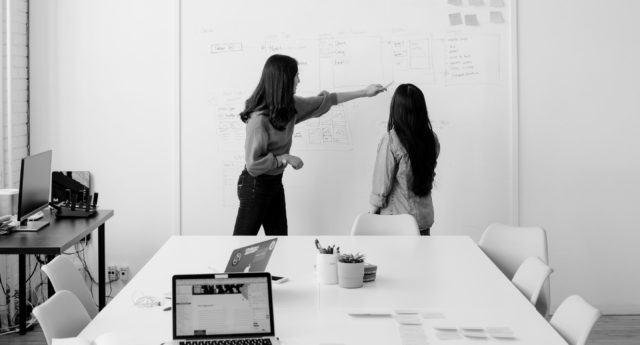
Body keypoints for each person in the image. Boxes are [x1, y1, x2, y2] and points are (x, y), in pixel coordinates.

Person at [234, 54, 386, 236]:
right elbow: (253, 165)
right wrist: (284, 158)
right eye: (296, 76)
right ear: (283, 80)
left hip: (274, 183)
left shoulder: (289, 107)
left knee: (280, 242)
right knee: (242, 245)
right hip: (254, 185)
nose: (299, 80)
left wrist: (365, 92)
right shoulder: (258, 119)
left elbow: (328, 100)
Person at [369, 84, 440, 236]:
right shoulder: (431, 139)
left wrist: (370, 215)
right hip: (423, 221)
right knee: (421, 260)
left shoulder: (391, 140)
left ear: (397, 109)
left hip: (396, 223)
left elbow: (381, 185)